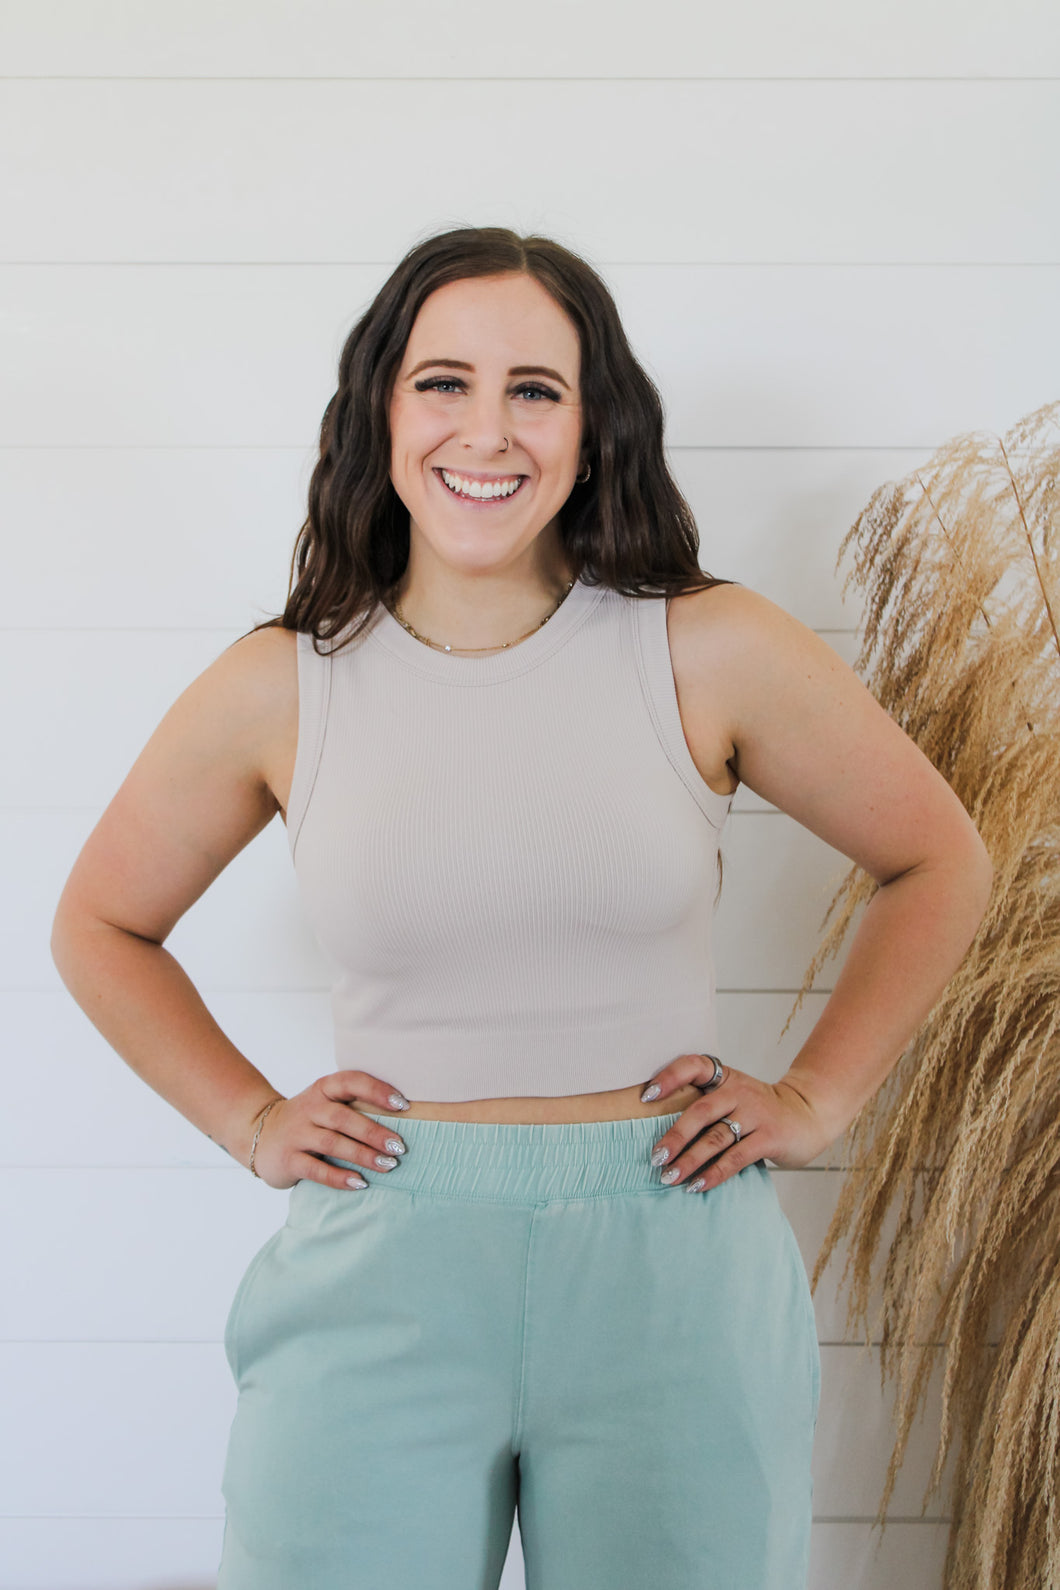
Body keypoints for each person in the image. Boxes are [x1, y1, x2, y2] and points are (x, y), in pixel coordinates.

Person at [50, 225, 994, 1590]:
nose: (486, 429)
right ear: (380, 412)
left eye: (535, 389)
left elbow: (939, 858)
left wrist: (818, 1095)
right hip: (378, 1271)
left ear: (595, 428)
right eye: (442, 382)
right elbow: (100, 924)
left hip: (673, 1269)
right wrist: (251, 1119)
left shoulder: (709, 647)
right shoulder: (282, 682)